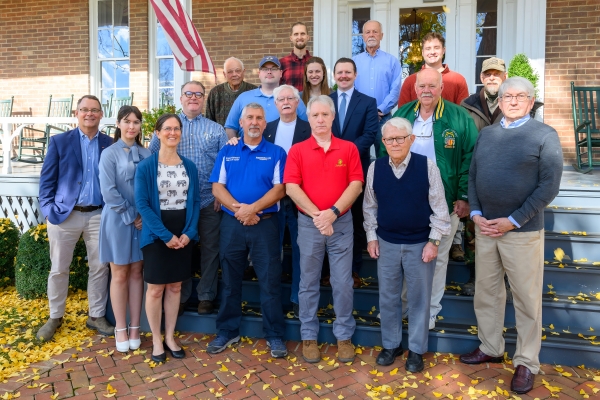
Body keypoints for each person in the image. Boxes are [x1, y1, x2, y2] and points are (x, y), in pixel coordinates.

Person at [460, 77, 563, 395]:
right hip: (487, 229)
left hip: (523, 231)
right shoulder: (487, 135)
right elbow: (474, 174)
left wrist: (514, 220)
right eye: (508, 96)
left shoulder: (545, 135)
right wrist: (476, 214)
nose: (514, 100)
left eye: (521, 96)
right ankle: (491, 345)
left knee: (526, 299)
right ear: (500, 101)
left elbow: (549, 186)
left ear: (532, 102)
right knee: (486, 293)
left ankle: (527, 361)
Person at [388, 68, 478, 330]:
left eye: (432, 85)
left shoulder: (459, 117)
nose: (426, 90)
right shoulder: (403, 115)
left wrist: (463, 195)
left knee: (437, 259)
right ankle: (404, 308)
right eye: (421, 86)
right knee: (408, 258)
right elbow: (386, 152)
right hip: (407, 204)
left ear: (441, 88)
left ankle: (428, 312)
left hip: (446, 202)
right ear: (415, 89)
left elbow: (470, 157)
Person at [364, 117, 450, 371]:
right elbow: (370, 207)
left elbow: (440, 209)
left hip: (419, 243)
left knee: (419, 299)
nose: (395, 143)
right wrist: (371, 237)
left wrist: (434, 241)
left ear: (411, 139)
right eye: (389, 139)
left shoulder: (427, 166)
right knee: (388, 297)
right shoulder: (375, 168)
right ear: (383, 142)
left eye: (400, 138)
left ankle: (416, 349)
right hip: (387, 242)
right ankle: (391, 345)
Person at [284, 95, 364, 364]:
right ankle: (308, 335)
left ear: (332, 117)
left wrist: (332, 213)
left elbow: (356, 185)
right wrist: (318, 216)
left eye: (325, 115)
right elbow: (291, 187)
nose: (320, 119)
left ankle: (343, 336)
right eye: (315, 115)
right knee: (308, 282)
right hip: (309, 223)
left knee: (342, 282)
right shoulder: (297, 150)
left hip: (340, 223)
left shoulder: (348, 148)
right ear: (309, 118)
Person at [206, 103, 288, 358]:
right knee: (230, 280)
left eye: (259, 118)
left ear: (265, 124)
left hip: (265, 224)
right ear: (240, 123)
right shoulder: (227, 151)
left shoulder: (276, 152)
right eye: (249, 118)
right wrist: (239, 210)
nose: (254, 122)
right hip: (232, 224)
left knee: (270, 280)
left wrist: (252, 209)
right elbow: (217, 187)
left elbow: (280, 189)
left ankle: (274, 335)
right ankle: (228, 331)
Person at [37, 95, 114, 342]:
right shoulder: (60, 142)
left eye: (94, 110)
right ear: (76, 113)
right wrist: (49, 210)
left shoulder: (109, 144)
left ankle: (96, 315)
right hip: (64, 215)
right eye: (84, 110)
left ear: (101, 114)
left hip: (98, 214)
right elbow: (46, 180)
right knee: (59, 268)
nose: (89, 114)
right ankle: (55, 316)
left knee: (100, 267)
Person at [150, 81, 228, 317]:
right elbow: (153, 158)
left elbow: (226, 165)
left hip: (208, 200)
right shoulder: (169, 127)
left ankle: (206, 296)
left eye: (198, 94)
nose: (193, 98)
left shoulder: (216, 130)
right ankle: (180, 296)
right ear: (181, 98)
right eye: (188, 94)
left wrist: (221, 194)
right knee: (181, 249)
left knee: (210, 250)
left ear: (203, 99)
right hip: (177, 203)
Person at [135, 113, 201, 362]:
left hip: (183, 233)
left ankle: (170, 336)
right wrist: (164, 235)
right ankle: (155, 339)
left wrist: (189, 232)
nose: (172, 133)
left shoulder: (189, 167)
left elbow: (194, 202)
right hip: (156, 233)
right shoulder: (146, 167)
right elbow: (142, 203)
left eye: (177, 129)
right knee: (155, 289)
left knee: (175, 287)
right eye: (167, 128)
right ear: (157, 132)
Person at [99, 105, 151, 353]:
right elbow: (108, 191)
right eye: (127, 121)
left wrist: (143, 215)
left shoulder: (148, 153)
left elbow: (152, 188)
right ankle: (120, 326)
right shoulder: (109, 154)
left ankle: (135, 327)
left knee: (137, 273)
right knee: (119, 274)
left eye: (136, 122)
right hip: (118, 220)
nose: (132, 126)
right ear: (118, 124)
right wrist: (132, 215)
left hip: (142, 221)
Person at [459, 57, 507, 296]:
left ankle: (505, 278)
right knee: (473, 229)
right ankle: (474, 276)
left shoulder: (512, 102)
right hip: (476, 175)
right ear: (481, 78)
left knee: (504, 229)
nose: (492, 78)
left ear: (504, 77)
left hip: (506, 178)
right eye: (487, 74)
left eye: (496, 74)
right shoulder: (467, 105)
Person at [330, 57, 378, 287]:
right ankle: (328, 272)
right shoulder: (326, 101)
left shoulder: (368, 102)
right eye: (340, 72)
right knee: (330, 215)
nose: (344, 76)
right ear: (334, 75)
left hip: (356, 168)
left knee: (356, 218)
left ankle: (353, 270)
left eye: (348, 72)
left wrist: (344, 153)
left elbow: (370, 134)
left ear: (355, 75)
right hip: (327, 170)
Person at [265, 85, 311, 317]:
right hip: (272, 201)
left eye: (290, 98)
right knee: (271, 251)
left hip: (301, 200)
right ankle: (273, 298)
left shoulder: (309, 128)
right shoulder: (267, 129)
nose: (285, 102)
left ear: (297, 102)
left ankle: (297, 297)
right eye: (281, 99)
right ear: (275, 104)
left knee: (300, 251)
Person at [225, 56, 307, 138]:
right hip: (248, 149)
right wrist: (235, 146)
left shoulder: (292, 98)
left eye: (274, 68)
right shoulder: (243, 98)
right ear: (259, 74)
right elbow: (230, 127)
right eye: (265, 69)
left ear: (281, 73)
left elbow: (307, 126)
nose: (269, 72)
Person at [352, 20, 401, 157]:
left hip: (384, 118)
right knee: (359, 157)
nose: (371, 35)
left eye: (375, 32)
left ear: (381, 35)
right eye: (368, 32)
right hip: (360, 118)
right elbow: (351, 88)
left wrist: (380, 110)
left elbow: (395, 90)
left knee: (385, 157)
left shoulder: (392, 61)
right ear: (363, 36)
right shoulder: (354, 62)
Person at [399, 32, 469, 107]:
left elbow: (464, 113)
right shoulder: (410, 81)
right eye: (428, 49)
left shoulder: (458, 80)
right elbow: (402, 113)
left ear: (443, 50)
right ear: (423, 52)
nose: (432, 52)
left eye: (436, 48)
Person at [205, 57, 258, 127]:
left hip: (248, 137)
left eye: (238, 71)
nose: (234, 74)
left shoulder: (254, 91)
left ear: (243, 72)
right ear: (224, 74)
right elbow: (209, 121)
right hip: (221, 137)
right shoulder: (215, 93)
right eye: (230, 72)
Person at [280, 22, 312, 92]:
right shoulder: (282, 63)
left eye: (302, 34)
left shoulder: (315, 62)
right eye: (296, 34)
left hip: (310, 102)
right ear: (291, 38)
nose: (299, 37)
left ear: (308, 37)